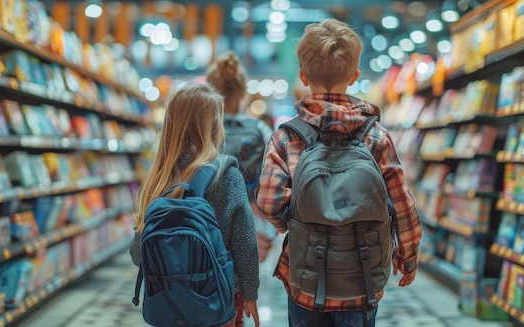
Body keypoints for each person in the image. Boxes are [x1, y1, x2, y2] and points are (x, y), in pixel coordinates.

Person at [256, 18, 422, 327]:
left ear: (303, 77)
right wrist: (407, 255)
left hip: (306, 277)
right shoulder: (376, 136)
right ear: (355, 75)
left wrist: (299, 220)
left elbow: (269, 202)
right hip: (363, 278)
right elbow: (403, 203)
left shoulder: (287, 137)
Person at [129, 82, 260, 327]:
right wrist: (250, 293)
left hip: (165, 306)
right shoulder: (226, 174)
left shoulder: (157, 178)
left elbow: (138, 255)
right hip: (217, 301)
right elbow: (245, 244)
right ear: (214, 126)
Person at [205, 51, 277, 265]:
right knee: (246, 289)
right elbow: (273, 181)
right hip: (254, 225)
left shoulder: (201, 129)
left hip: (207, 224)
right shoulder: (260, 129)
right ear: (243, 92)